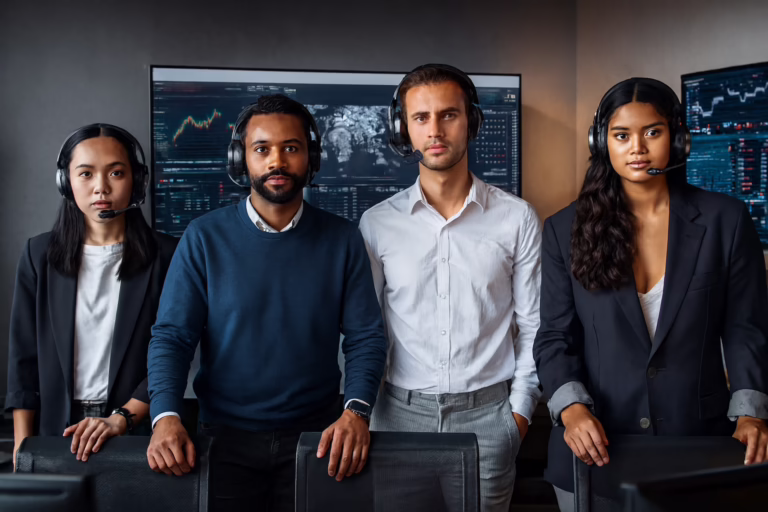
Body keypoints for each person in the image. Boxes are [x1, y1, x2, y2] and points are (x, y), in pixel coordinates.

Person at [532, 78, 768, 511]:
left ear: (677, 139)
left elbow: (745, 329)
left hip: (698, 447)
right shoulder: (563, 230)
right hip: (596, 449)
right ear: (602, 142)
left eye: (652, 133)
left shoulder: (726, 221)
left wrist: (752, 411)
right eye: (622, 136)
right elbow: (555, 338)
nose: (637, 148)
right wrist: (571, 409)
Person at [146, 94, 387, 512]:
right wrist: (165, 415)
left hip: (320, 441)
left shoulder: (344, 239)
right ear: (242, 160)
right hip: (223, 442)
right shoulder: (203, 238)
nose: (277, 161)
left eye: (291, 148)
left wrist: (357, 412)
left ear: (310, 158)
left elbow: (366, 337)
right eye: (262, 149)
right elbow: (172, 337)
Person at [359, 64, 542, 512]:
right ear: (405, 128)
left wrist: (515, 419)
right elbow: (363, 330)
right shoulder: (377, 224)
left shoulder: (517, 219)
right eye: (420, 118)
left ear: (472, 121)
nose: (435, 130)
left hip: (489, 420)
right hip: (396, 418)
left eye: (449, 115)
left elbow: (535, 326)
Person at [6, 124, 178, 468]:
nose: (101, 187)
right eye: (85, 173)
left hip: (136, 430)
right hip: (56, 432)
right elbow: (22, 359)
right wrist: (23, 446)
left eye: (116, 172)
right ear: (66, 182)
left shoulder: (169, 255)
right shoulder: (38, 254)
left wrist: (124, 417)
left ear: (137, 180)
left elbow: (174, 352)